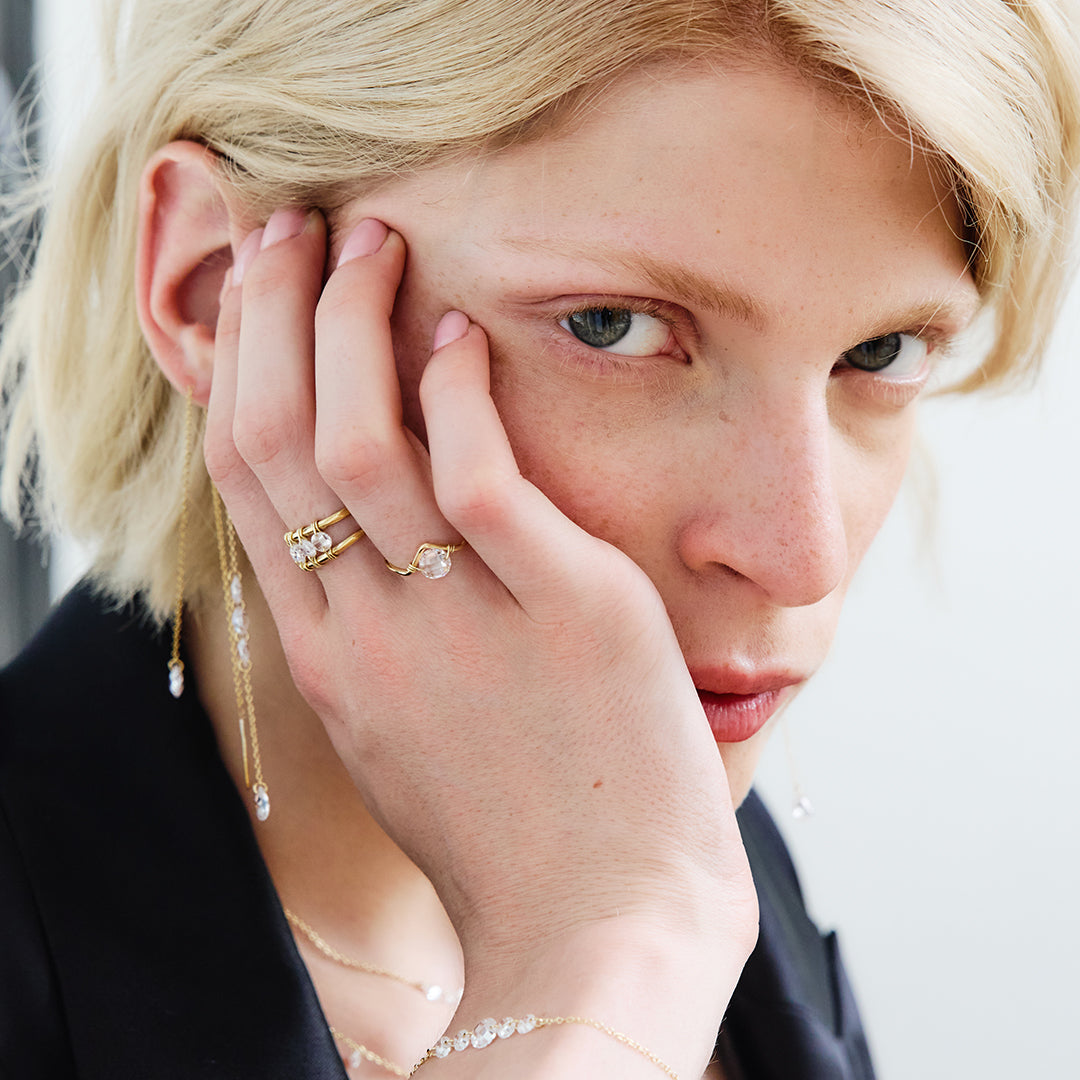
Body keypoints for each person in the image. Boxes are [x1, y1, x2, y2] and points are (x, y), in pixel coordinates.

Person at [1, 1, 1077, 1077]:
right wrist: (590, 963)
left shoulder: (706, 863)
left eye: (882, 351)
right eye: (612, 327)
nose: (802, 559)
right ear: (214, 286)